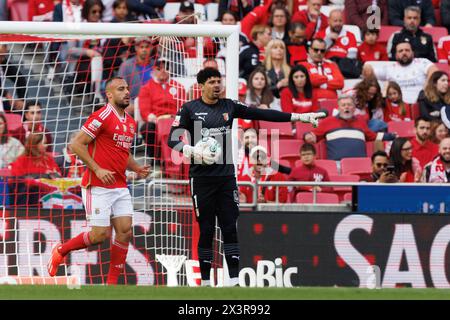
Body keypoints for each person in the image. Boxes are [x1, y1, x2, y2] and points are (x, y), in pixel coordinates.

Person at [167, 67, 325, 286]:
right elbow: (172, 140)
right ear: (201, 86)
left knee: (230, 227)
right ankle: (203, 284)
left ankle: (234, 282)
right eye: (211, 82)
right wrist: (192, 151)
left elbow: (261, 113)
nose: (216, 85)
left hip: (226, 178)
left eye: (218, 81)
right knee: (205, 230)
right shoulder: (189, 109)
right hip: (201, 179)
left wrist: (299, 117)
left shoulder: (229, 106)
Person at [47, 77, 151, 284]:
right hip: (97, 185)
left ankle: (111, 286)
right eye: (121, 89)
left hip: (120, 185)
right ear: (109, 95)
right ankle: (61, 250)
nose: (127, 92)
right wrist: (97, 168)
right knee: (99, 235)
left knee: (124, 232)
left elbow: (123, 152)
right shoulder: (102, 116)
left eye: (128, 88)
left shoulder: (129, 122)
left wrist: (137, 167)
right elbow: (76, 144)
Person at [304, 95, 396, 160]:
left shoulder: (361, 122)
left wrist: (391, 136)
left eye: (349, 105)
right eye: (343, 105)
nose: (346, 107)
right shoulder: (328, 121)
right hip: (337, 164)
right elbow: (312, 135)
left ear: (354, 108)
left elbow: (374, 136)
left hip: (360, 164)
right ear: (338, 108)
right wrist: (307, 136)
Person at [138, 58, 186, 160]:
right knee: (147, 128)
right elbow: (145, 111)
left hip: (174, 120)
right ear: (154, 70)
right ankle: (155, 159)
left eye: (167, 68)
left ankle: (178, 160)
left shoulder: (179, 87)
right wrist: (157, 120)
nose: (163, 70)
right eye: (159, 68)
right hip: (156, 121)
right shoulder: (146, 88)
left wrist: (177, 119)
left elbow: (183, 107)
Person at [362, 41, 438, 103]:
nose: (404, 53)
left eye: (407, 50)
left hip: (422, 102)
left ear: (412, 53)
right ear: (396, 55)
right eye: (400, 51)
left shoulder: (422, 62)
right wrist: (367, 67)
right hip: (398, 106)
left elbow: (435, 72)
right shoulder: (390, 68)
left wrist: (427, 87)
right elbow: (369, 72)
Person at [118, 36, 156, 101]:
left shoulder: (155, 65)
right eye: (141, 47)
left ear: (151, 48)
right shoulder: (126, 65)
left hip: (154, 102)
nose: (144, 49)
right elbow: (119, 88)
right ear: (136, 48)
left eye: (147, 47)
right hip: (133, 102)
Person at [0, 44, 26, 112]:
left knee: (21, 110)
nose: (2, 59)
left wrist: (21, 99)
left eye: (3, 56)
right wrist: (6, 94)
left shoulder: (3, 62)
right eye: (0, 56)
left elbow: (20, 78)